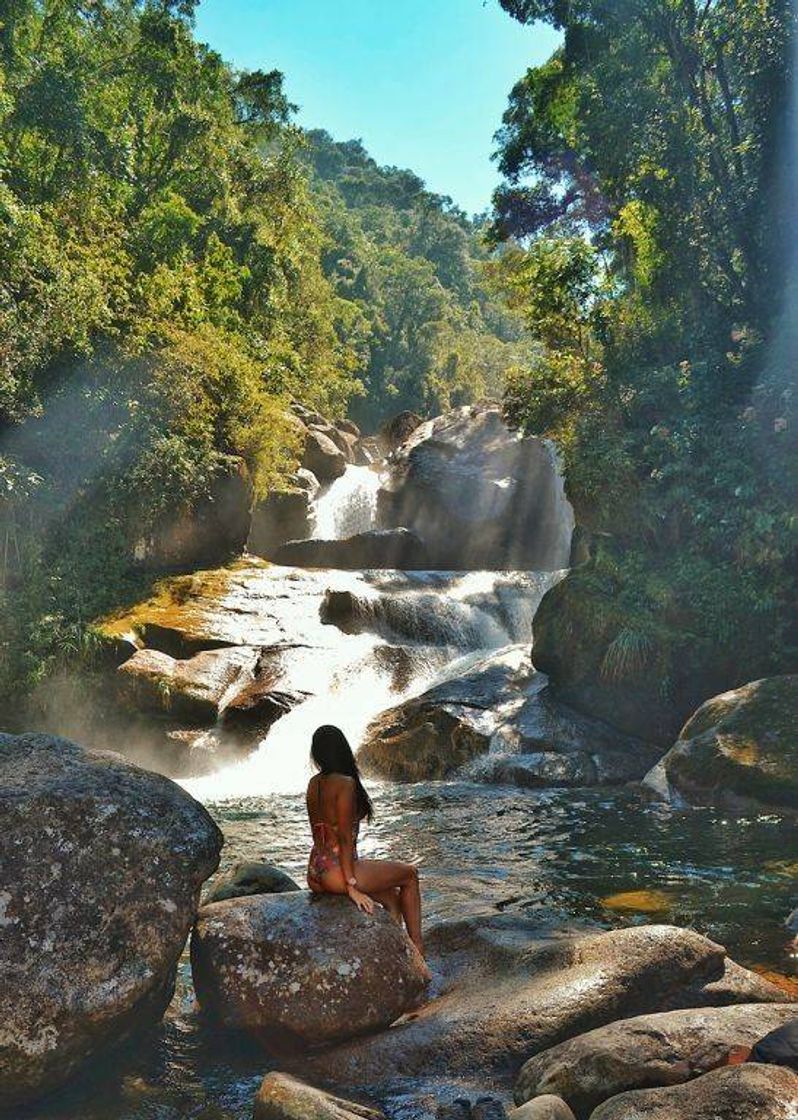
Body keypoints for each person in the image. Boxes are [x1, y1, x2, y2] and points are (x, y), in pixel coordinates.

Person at [306, 724, 430, 976]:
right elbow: (344, 836)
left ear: (317, 754)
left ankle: (394, 955)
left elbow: (319, 833)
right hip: (338, 872)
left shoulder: (314, 784)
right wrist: (352, 886)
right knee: (410, 875)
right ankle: (418, 951)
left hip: (316, 870)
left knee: (393, 899)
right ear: (342, 750)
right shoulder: (346, 783)